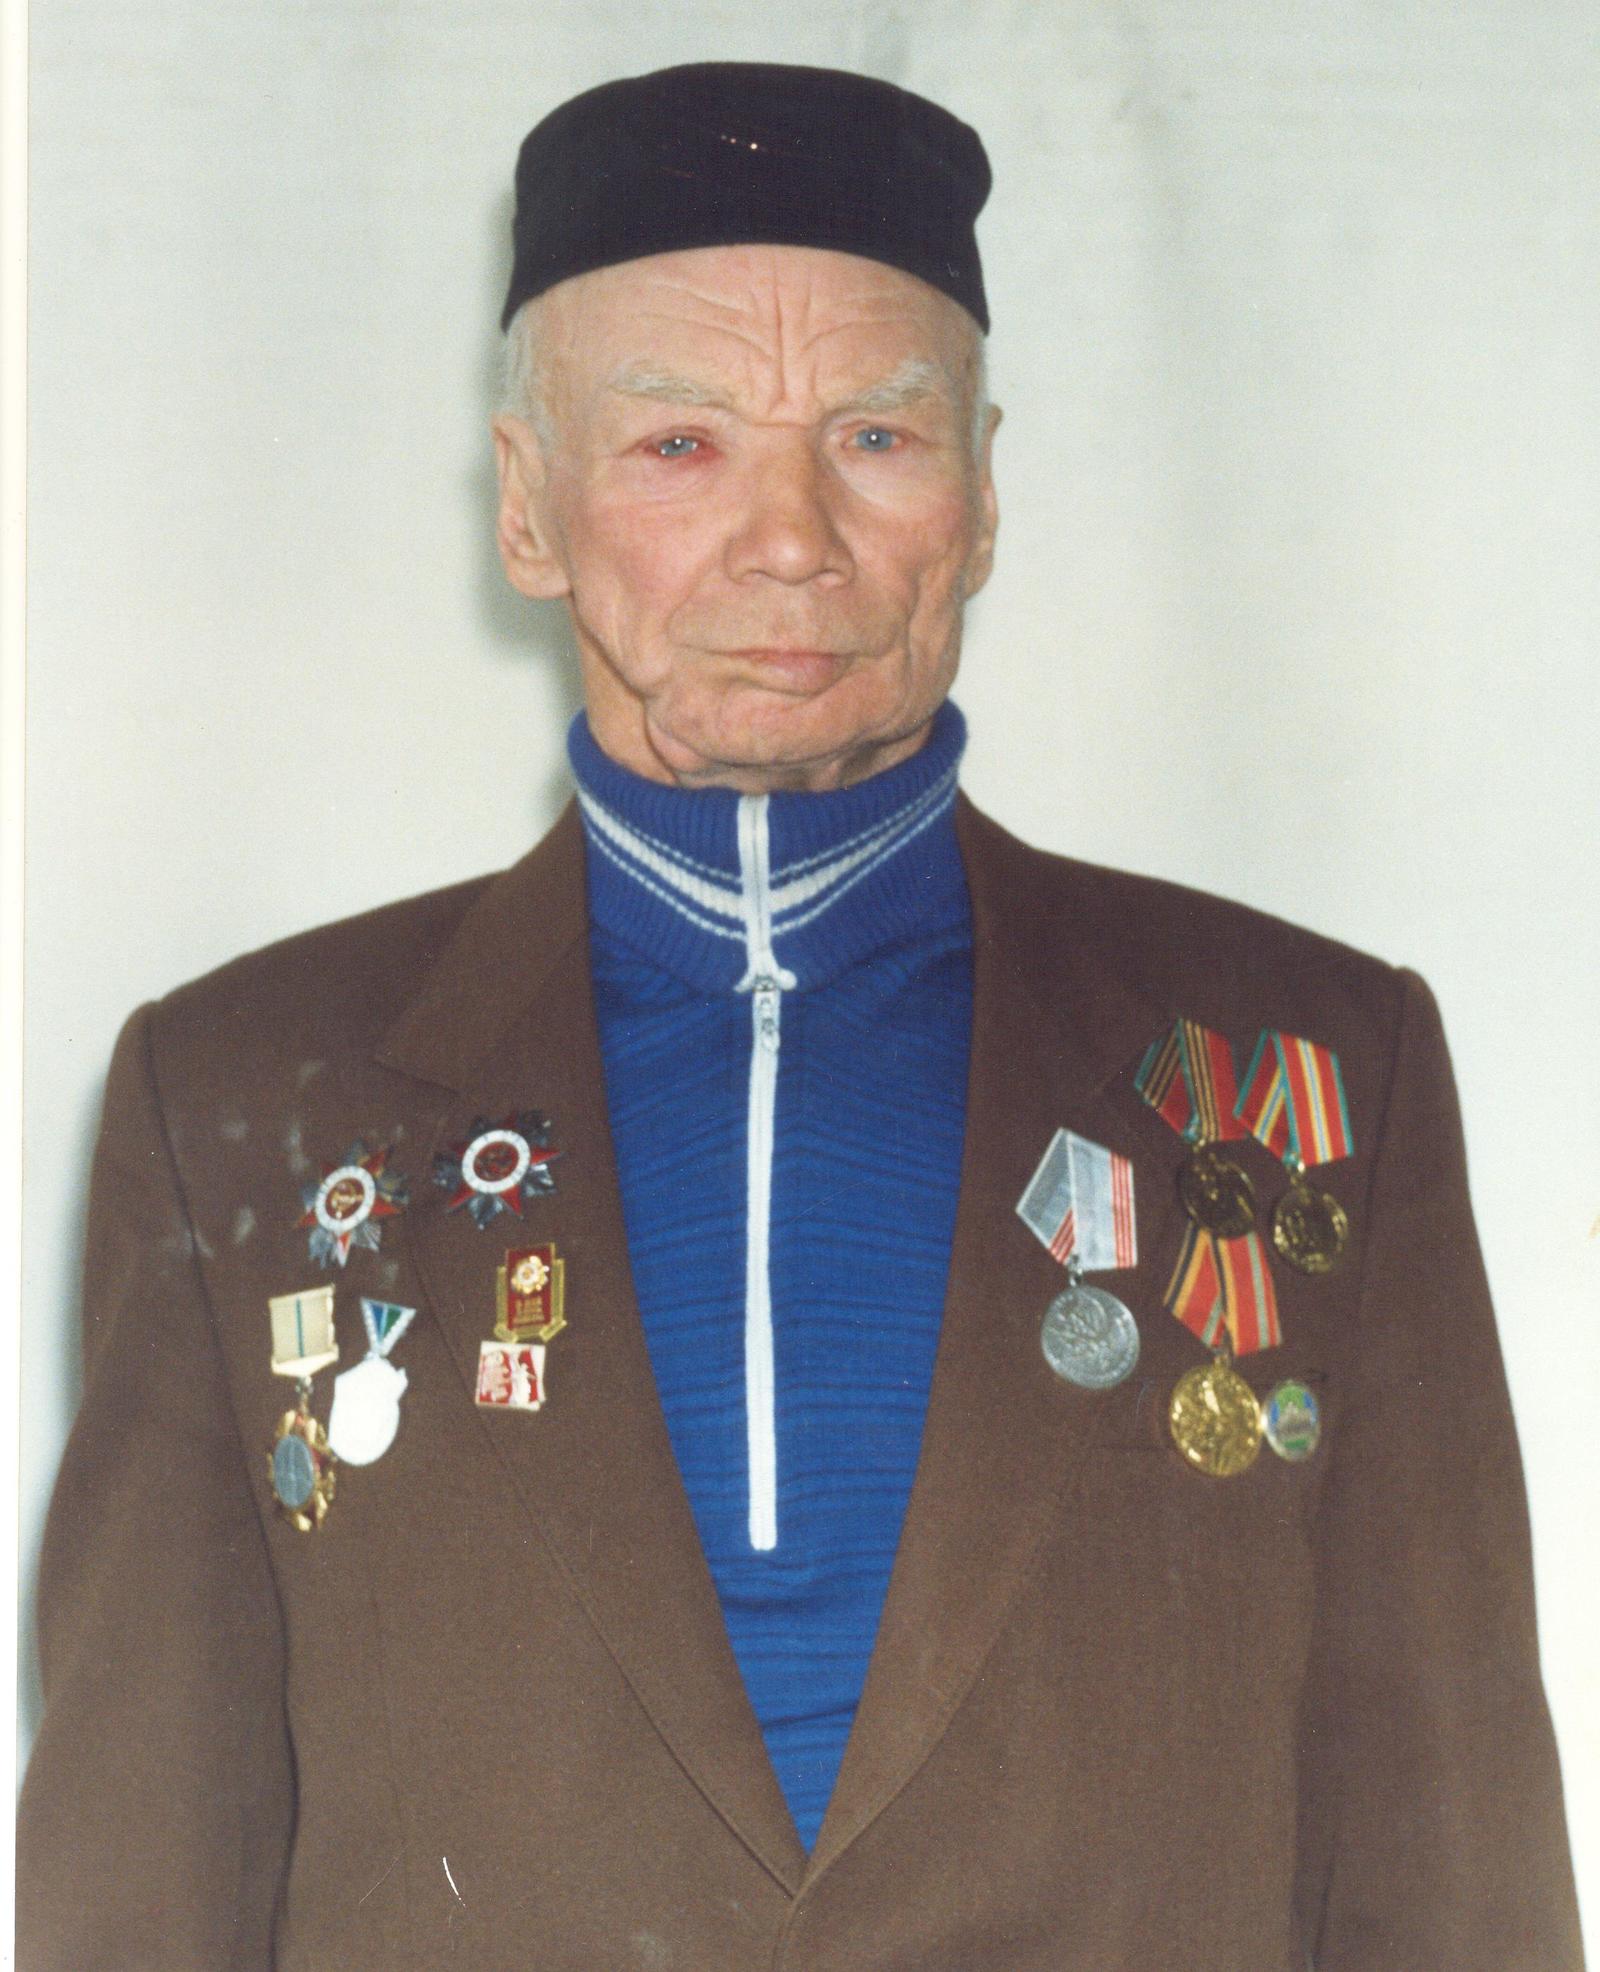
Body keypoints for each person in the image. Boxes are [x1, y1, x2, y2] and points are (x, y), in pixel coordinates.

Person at [17, 61, 1585, 1971]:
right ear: (528, 504)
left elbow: (1456, 1870)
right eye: (678, 442)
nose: (789, 536)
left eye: (874, 436)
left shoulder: (1312, 1074)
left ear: (983, 497)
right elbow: (136, 1891)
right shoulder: (238, 1101)